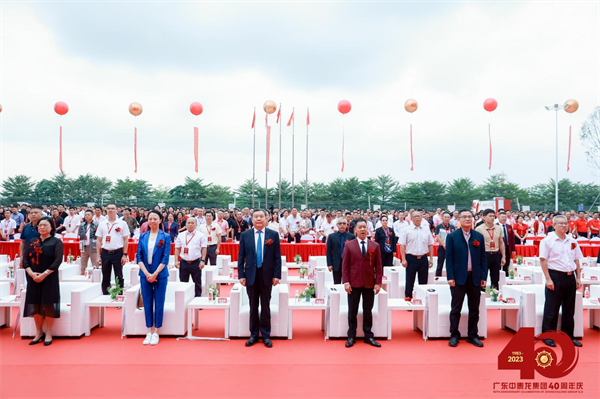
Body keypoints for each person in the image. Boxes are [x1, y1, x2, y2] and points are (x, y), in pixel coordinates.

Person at [238, 209, 282, 348]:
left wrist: (277, 275)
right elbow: (240, 257)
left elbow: (277, 258)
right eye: (256, 217)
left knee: (265, 305)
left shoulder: (273, 235)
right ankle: (253, 334)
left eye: (261, 217)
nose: (258, 219)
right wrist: (241, 275)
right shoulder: (245, 235)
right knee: (253, 305)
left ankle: (266, 335)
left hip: (267, 275)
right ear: (252, 219)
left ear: (266, 219)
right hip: (251, 275)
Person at [539, 215, 583, 348]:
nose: (564, 226)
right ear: (554, 225)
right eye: (561, 223)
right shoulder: (547, 241)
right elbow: (543, 260)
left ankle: (568, 336)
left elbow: (576, 260)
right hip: (555, 276)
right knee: (551, 309)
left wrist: (578, 277)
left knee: (569, 309)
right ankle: (548, 336)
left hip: (570, 277)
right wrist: (548, 279)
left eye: (566, 223)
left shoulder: (572, 240)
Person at [445, 209, 488, 348]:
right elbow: (449, 259)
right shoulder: (452, 237)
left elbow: (483, 259)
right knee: (456, 308)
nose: (467, 219)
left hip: (474, 278)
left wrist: (483, 276)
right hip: (458, 278)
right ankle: (454, 334)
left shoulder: (478, 236)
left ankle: (472, 335)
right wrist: (450, 277)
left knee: (474, 309)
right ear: (459, 220)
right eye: (464, 217)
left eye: (470, 217)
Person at [22, 216, 63, 346]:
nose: (42, 227)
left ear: (51, 227)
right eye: (40, 225)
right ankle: (39, 332)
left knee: (48, 304)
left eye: (45, 225)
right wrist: (32, 274)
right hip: (33, 278)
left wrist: (44, 274)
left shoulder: (56, 242)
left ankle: (49, 333)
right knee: (35, 304)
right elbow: (25, 259)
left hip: (49, 278)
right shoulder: (32, 241)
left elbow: (57, 261)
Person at [342, 219, 382, 348]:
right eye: (360, 227)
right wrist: (346, 282)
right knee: (352, 310)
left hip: (369, 283)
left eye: (365, 227)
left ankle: (368, 335)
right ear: (355, 230)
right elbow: (345, 266)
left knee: (368, 310)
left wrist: (378, 283)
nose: (363, 229)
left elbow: (379, 266)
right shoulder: (349, 245)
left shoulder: (374, 246)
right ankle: (351, 336)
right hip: (353, 283)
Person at [136, 210, 171, 346]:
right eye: (150, 219)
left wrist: (155, 273)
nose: (152, 221)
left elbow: (165, 258)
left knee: (159, 304)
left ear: (160, 220)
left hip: (160, 275)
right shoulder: (143, 236)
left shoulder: (165, 237)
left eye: (155, 219)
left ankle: (156, 331)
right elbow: (138, 257)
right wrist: (146, 273)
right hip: (145, 274)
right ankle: (149, 331)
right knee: (147, 303)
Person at [95, 204, 130, 295]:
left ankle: (119, 295)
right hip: (105, 252)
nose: (110, 210)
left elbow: (126, 240)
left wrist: (125, 254)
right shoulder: (102, 224)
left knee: (119, 276)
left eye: (113, 209)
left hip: (117, 252)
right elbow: (98, 240)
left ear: (117, 210)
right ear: (106, 210)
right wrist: (98, 256)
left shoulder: (122, 223)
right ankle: (105, 296)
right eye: (109, 209)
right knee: (105, 276)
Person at [399, 210, 434, 300]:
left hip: (423, 258)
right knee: (410, 280)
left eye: (419, 216)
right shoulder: (406, 230)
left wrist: (431, 259)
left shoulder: (426, 229)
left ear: (422, 217)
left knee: (423, 281)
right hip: (411, 258)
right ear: (411, 218)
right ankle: (408, 298)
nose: (417, 218)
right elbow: (402, 245)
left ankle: (422, 299)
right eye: (415, 216)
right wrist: (403, 259)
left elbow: (430, 244)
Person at [174, 218, 207, 297]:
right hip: (184, 262)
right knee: (183, 284)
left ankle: (198, 302)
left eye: (192, 223)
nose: (190, 225)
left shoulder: (200, 235)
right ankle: (184, 302)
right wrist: (175, 260)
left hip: (196, 263)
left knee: (197, 284)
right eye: (188, 223)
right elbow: (177, 248)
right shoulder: (181, 235)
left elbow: (204, 248)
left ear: (196, 225)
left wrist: (202, 260)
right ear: (185, 224)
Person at [475, 209, 505, 290]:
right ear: (484, 217)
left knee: (495, 276)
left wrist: (503, 256)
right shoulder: (479, 229)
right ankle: (481, 293)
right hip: (484, 254)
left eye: (493, 216)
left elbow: (501, 242)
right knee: (483, 275)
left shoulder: (498, 228)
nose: (492, 218)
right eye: (490, 216)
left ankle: (494, 293)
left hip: (495, 254)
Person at [326, 218, 355, 284]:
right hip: (336, 263)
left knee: (348, 283)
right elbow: (329, 251)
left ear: (346, 225)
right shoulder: (331, 236)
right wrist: (329, 264)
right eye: (340, 223)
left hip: (348, 263)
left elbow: (354, 251)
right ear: (337, 225)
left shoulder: (351, 236)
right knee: (337, 283)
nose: (342, 225)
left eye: (344, 223)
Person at [434, 212, 455, 277]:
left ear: (450, 218)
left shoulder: (452, 227)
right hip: (442, 247)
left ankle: (451, 277)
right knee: (440, 263)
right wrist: (444, 245)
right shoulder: (439, 226)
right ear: (442, 218)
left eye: (448, 217)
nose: (446, 218)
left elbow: (454, 236)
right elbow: (437, 236)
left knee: (450, 263)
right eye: (445, 217)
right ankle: (437, 277)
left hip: (451, 248)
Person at [78, 210, 99, 274]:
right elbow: (79, 234)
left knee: (95, 263)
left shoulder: (97, 224)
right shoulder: (82, 225)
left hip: (93, 246)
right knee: (83, 264)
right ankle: (82, 275)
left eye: (88, 215)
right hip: (84, 246)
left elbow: (99, 236)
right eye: (85, 215)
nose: (87, 216)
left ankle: (96, 277)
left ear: (92, 216)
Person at [497, 211, 515, 276]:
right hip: (498, 248)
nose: (504, 218)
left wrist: (513, 249)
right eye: (502, 217)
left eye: (505, 217)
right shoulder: (496, 226)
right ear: (498, 218)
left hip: (507, 247)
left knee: (507, 262)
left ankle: (506, 275)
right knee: (498, 262)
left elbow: (512, 239)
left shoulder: (509, 226)